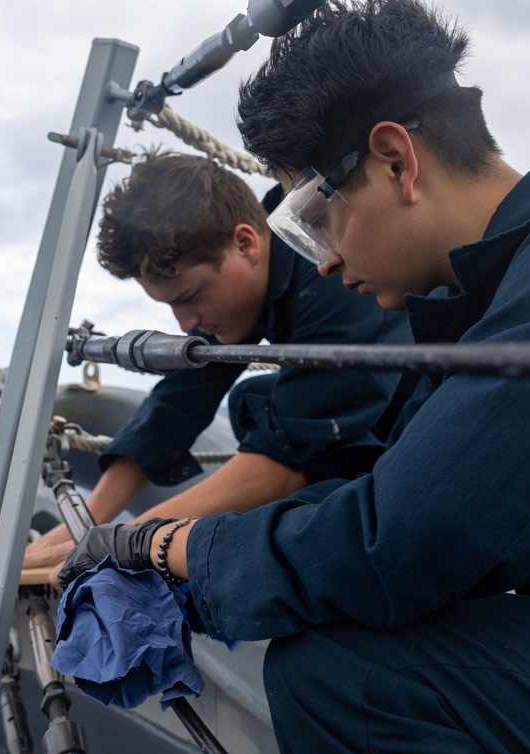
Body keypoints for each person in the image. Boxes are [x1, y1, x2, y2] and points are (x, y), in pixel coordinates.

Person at [58, 1, 530, 754]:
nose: (325, 263)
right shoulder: (480, 297)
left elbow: (406, 540)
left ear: (396, 162)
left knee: (350, 682)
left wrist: (161, 549)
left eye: (315, 219)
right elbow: (395, 495)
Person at [24, 149, 415, 571]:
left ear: (245, 243)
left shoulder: (327, 265)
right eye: (171, 306)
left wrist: (120, 543)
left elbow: (287, 460)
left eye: (189, 298)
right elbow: (180, 399)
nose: (186, 322)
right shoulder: (253, 264)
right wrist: (87, 522)